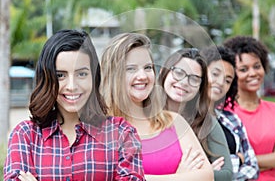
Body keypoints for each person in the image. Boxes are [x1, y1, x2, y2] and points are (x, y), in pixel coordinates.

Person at [3, 29, 145, 180]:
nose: (72, 86)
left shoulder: (122, 133)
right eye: (61, 75)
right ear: (47, 78)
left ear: (94, 76)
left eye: (81, 74)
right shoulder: (25, 135)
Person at [100, 32, 214, 181]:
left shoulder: (174, 121)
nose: (142, 76)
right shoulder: (99, 128)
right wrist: (180, 177)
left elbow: (207, 176)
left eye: (147, 67)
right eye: (131, 69)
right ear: (113, 74)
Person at [224, 35, 275, 181]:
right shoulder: (224, 112)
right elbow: (226, 165)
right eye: (243, 69)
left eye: (257, 66)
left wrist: (244, 160)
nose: (253, 73)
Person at [158, 48, 233, 181]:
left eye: (194, 79)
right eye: (178, 73)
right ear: (164, 72)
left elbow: (226, 174)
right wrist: (196, 174)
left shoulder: (205, 121)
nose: (184, 82)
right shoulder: (143, 116)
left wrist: (194, 174)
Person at [201, 46, 259, 180]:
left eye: (227, 80)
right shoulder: (187, 118)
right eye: (215, 74)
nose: (221, 82)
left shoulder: (232, 120)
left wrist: (225, 174)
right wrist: (237, 160)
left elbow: (253, 166)